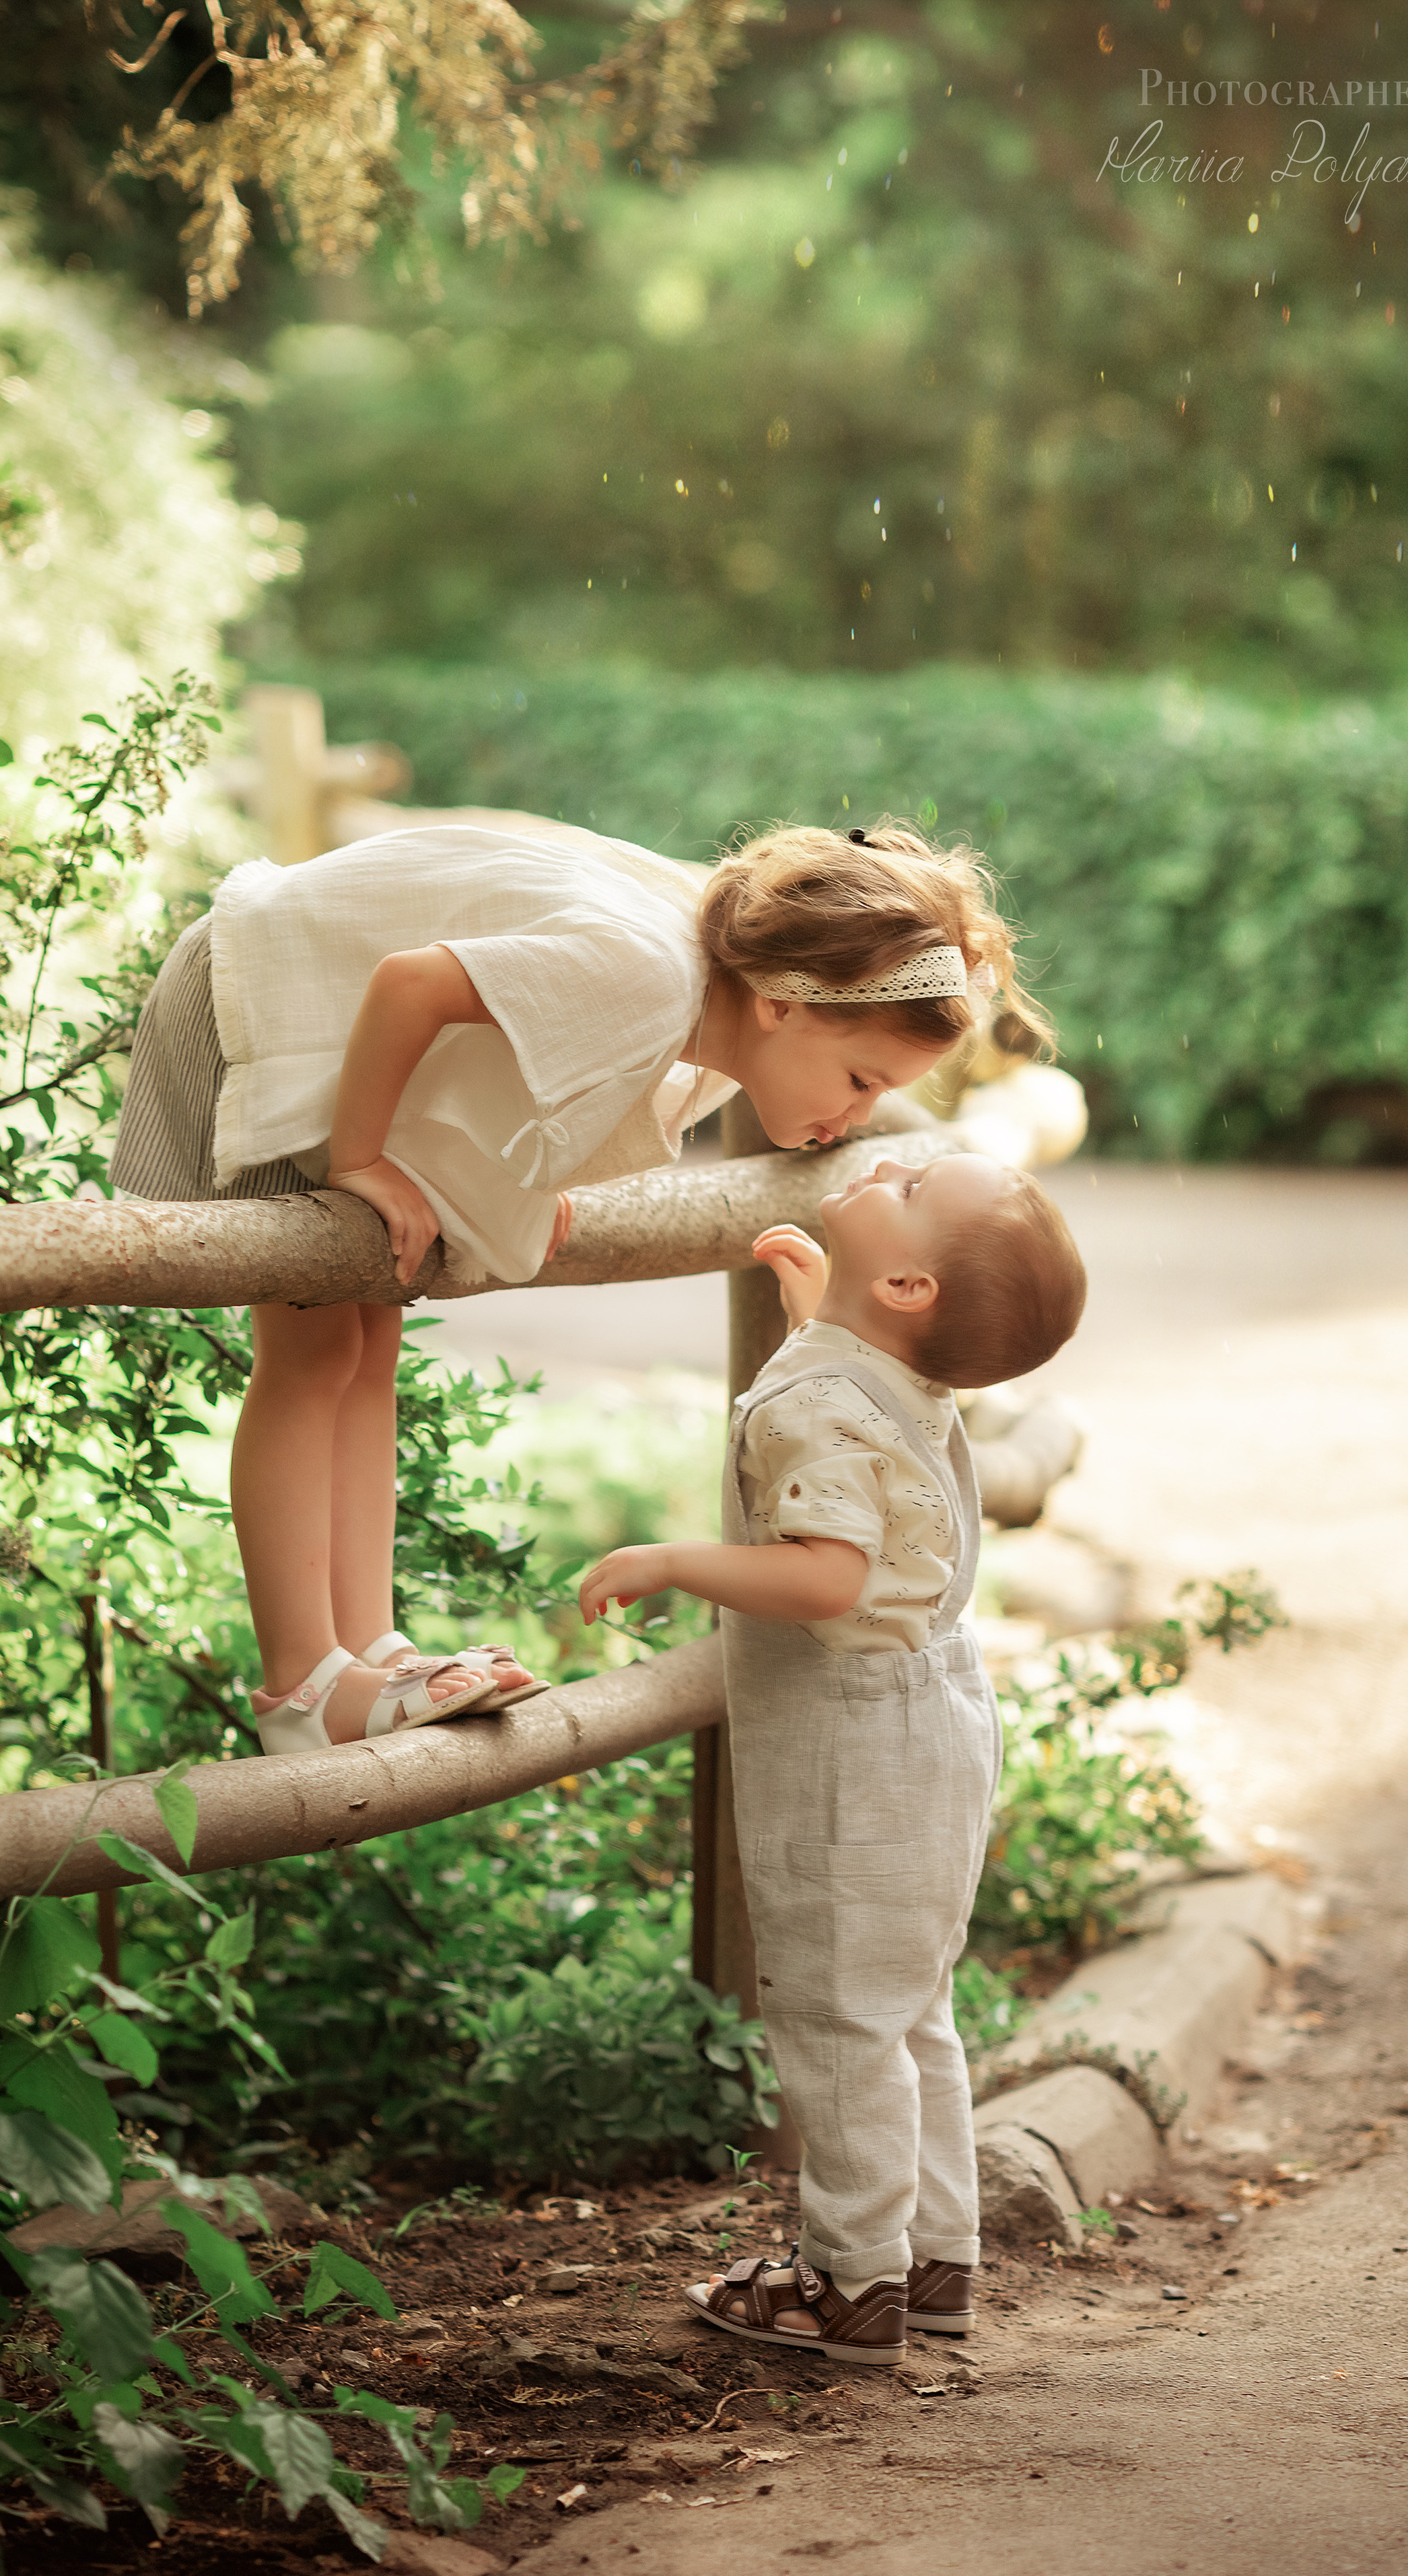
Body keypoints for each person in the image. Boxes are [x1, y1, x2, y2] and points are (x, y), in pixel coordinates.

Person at [110, 807, 1045, 1756]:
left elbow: (542, 1046)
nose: (859, 1114)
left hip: (331, 1024)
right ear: (784, 1005)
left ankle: (368, 1650)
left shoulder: (725, 981)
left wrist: (518, 1188)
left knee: (367, 1347)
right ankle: (302, 1686)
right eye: (859, 1077)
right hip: (261, 1007)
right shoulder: (654, 973)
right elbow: (410, 983)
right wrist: (358, 1158)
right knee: (313, 1351)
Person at [578, 1146, 1087, 2366]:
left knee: (839, 2020)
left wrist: (674, 1562)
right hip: (940, 1717)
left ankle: (849, 2284)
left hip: (851, 1746)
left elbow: (828, 1574)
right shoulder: (891, 1367)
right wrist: (821, 1307)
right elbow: (869, 1417)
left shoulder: (819, 1402)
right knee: (911, 2008)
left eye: (910, 1187)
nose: (893, 1158)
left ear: (907, 1287)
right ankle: (936, 2260)